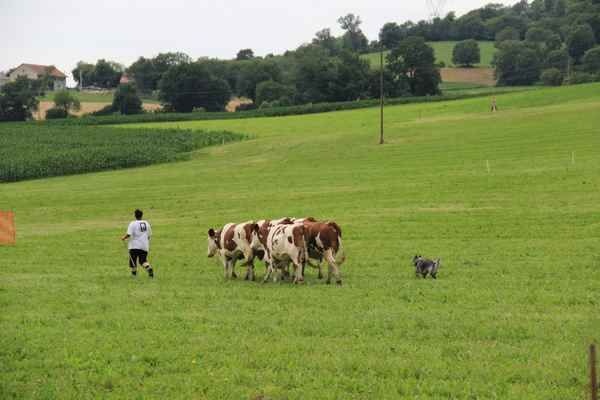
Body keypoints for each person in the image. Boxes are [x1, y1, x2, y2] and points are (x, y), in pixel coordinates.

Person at [121, 209, 154, 278]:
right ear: (142, 215)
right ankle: (149, 268)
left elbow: (129, 234)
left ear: (135, 215)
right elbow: (149, 235)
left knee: (133, 260)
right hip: (144, 246)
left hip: (134, 246)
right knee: (142, 261)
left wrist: (124, 238)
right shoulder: (146, 223)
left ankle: (134, 275)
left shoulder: (133, 223)